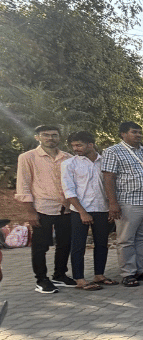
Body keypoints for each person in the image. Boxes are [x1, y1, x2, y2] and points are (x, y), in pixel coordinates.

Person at [102, 122, 143, 287]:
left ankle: (141, 270)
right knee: (126, 238)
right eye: (134, 132)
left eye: (140, 132)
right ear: (123, 134)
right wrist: (113, 203)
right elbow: (108, 178)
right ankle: (128, 273)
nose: (138, 135)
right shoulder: (112, 151)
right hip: (128, 201)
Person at [16, 124, 73, 293]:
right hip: (41, 208)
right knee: (41, 246)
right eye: (46, 135)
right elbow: (23, 185)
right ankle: (41, 279)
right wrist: (30, 211)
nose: (50, 138)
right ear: (38, 137)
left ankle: (60, 275)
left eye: (54, 135)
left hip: (66, 208)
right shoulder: (28, 157)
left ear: (59, 137)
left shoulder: (67, 158)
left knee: (65, 243)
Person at [61, 131, 114, 290]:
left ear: (91, 144)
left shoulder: (105, 162)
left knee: (102, 244)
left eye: (79, 145)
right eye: (73, 146)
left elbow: (111, 186)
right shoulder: (69, 164)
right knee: (78, 245)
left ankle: (99, 275)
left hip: (102, 208)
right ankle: (79, 279)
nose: (76, 148)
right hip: (80, 210)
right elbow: (68, 190)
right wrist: (82, 212)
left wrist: (111, 206)